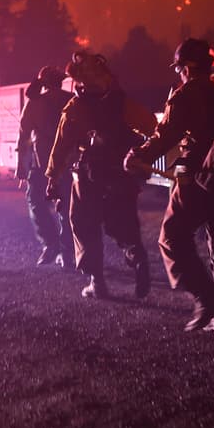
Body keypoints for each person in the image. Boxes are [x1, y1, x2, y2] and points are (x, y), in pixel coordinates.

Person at [124, 38, 214, 335]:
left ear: (184, 68)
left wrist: (138, 154)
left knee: (171, 238)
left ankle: (205, 299)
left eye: (179, 68)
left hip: (196, 180)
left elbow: (166, 135)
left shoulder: (184, 96)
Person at [45, 51, 150, 301]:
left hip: (88, 178)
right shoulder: (123, 103)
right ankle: (137, 258)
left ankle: (97, 282)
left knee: (83, 225)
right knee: (123, 225)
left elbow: (60, 147)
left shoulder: (74, 108)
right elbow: (153, 127)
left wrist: (52, 178)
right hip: (122, 175)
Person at [17, 66, 74, 267]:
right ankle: (67, 254)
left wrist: (21, 168)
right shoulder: (71, 99)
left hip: (42, 165)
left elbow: (23, 137)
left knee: (36, 202)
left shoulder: (34, 103)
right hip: (66, 164)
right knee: (66, 209)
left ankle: (52, 245)